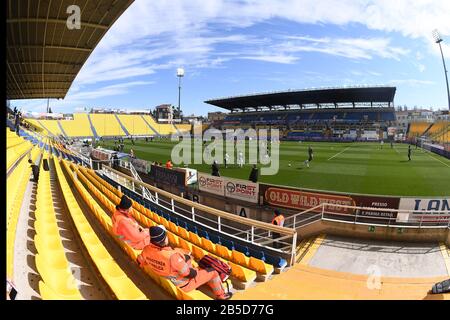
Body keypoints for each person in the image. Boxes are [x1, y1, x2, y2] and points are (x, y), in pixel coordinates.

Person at [137, 225, 232, 300]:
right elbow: (190, 274)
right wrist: (194, 268)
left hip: (168, 280)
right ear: (164, 239)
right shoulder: (172, 256)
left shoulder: (146, 250)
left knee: (189, 259)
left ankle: (203, 277)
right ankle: (221, 295)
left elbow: (140, 261)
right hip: (184, 284)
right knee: (213, 272)